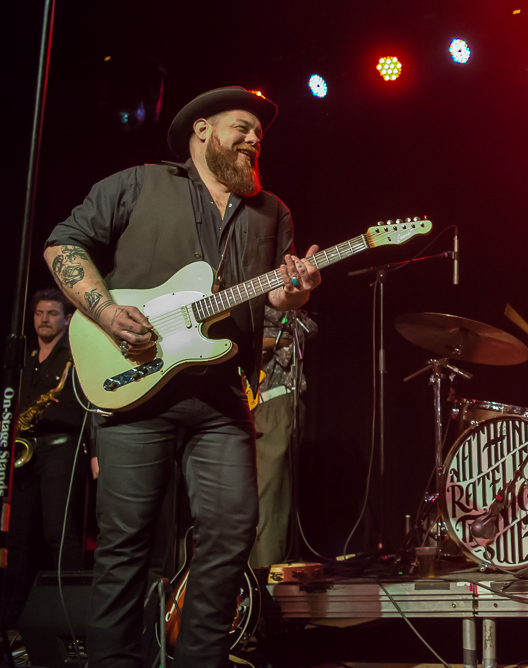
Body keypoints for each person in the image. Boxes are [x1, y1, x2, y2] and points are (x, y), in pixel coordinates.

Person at [43, 86, 322, 668]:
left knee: (230, 532)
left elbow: (272, 298)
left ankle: (200, 659)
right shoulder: (139, 183)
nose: (253, 140)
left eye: (258, 135)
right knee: (125, 544)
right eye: (241, 127)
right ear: (201, 130)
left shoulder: (273, 211)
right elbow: (63, 244)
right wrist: (103, 309)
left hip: (222, 400)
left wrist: (291, 294)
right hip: (132, 386)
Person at [0, 288, 88, 629]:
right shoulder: (24, 358)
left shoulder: (74, 356)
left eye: (52, 313)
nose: (44, 319)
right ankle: (12, 621)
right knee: (17, 539)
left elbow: (86, 409)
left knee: (58, 533)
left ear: (66, 318)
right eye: (39, 313)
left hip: (62, 449)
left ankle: (69, 618)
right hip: (26, 452)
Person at [248, 305, 317, 569]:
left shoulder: (282, 314)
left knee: (266, 500)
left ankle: (262, 583)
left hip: (273, 401)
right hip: (243, 405)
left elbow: (307, 328)